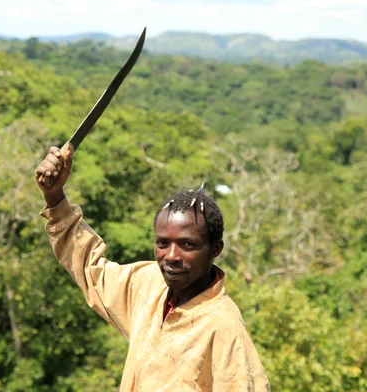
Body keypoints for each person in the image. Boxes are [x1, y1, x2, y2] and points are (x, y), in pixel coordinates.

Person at [35, 146, 270, 391]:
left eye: (188, 245)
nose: (171, 256)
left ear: (215, 249)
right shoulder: (149, 285)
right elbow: (92, 271)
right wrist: (54, 196)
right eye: (162, 243)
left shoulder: (223, 327)